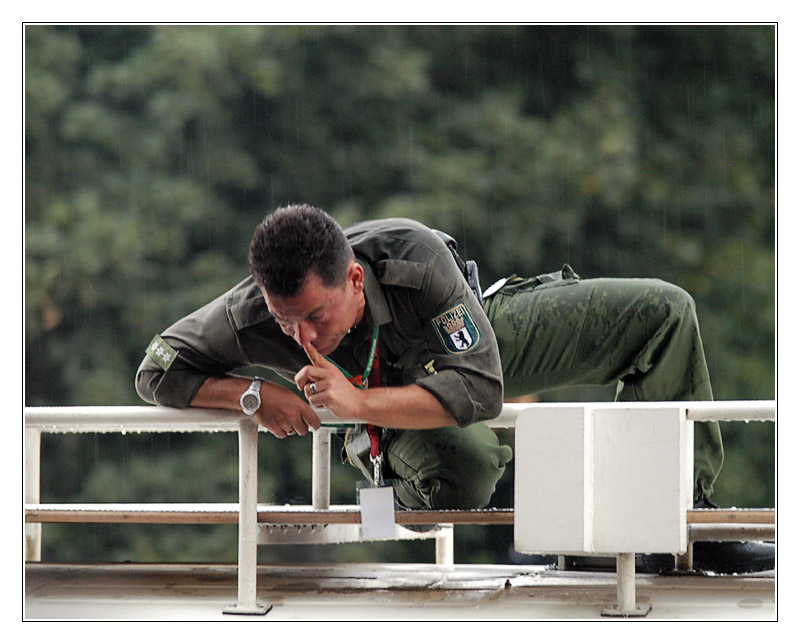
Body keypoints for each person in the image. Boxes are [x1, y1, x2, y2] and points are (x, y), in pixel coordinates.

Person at [135, 203, 773, 572]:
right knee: (462, 473)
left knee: (663, 311)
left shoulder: (411, 256)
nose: (301, 335)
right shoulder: (247, 313)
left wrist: (352, 401)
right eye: (285, 322)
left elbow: (481, 384)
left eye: (316, 317)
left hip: (468, 343)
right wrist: (252, 396)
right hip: (394, 426)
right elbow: (157, 370)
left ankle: (673, 525)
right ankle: (555, 533)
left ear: (354, 280)